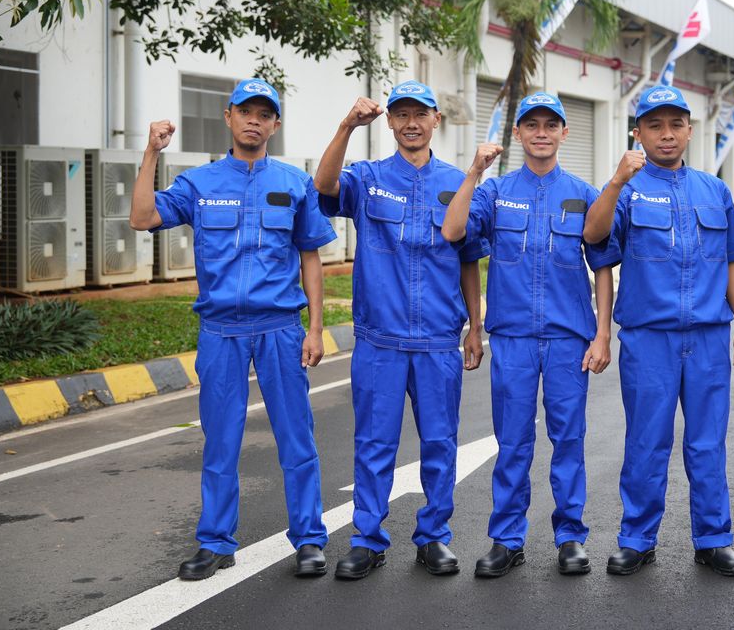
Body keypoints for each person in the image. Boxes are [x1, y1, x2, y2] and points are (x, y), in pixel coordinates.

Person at [129, 78, 336, 580]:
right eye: (246, 111)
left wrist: (315, 327)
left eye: (265, 114)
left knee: (296, 439)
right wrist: (151, 154)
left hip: (280, 328)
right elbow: (141, 218)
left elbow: (310, 258)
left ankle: (309, 539)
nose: (254, 121)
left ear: (275, 125)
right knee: (221, 441)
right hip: (220, 331)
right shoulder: (200, 184)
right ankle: (216, 542)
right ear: (229, 117)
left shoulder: (294, 182)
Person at [313, 80, 486, 580]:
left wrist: (476, 326)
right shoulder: (366, 178)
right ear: (389, 122)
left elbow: (469, 259)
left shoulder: (459, 182)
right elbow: (324, 187)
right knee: (373, 442)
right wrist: (346, 126)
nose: (411, 123)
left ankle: (434, 537)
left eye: (421, 114)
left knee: (440, 441)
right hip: (379, 338)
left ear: (436, 121)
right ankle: (367, 539)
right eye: (401, 114)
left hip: (438, 339)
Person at [583, 85, 734, 577]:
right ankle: (637, 539)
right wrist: (616, 182)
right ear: (637, 132)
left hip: (706, 338)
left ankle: (714, 538)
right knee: (647, 441)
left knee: (707, 442)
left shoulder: (713, 189)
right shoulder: (628, 188)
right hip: (648, 338)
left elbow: (731, 262)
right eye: (655, 126)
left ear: (689, 130)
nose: (666, 135)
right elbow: (593, 236)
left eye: (675, 125)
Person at [441, 92, 615, 578]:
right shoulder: (495, 192)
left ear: (564, 133)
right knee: (512, 441)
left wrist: (602, 334)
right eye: (531, 125)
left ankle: (570, 536)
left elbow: (601, 267)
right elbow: (456, 236)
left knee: (568, 439)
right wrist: (473, 172)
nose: (541, 132)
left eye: (550, 125)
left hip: (568, 340)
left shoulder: (584, 193)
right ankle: (507, 538)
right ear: (517, 134)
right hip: (513, 338)